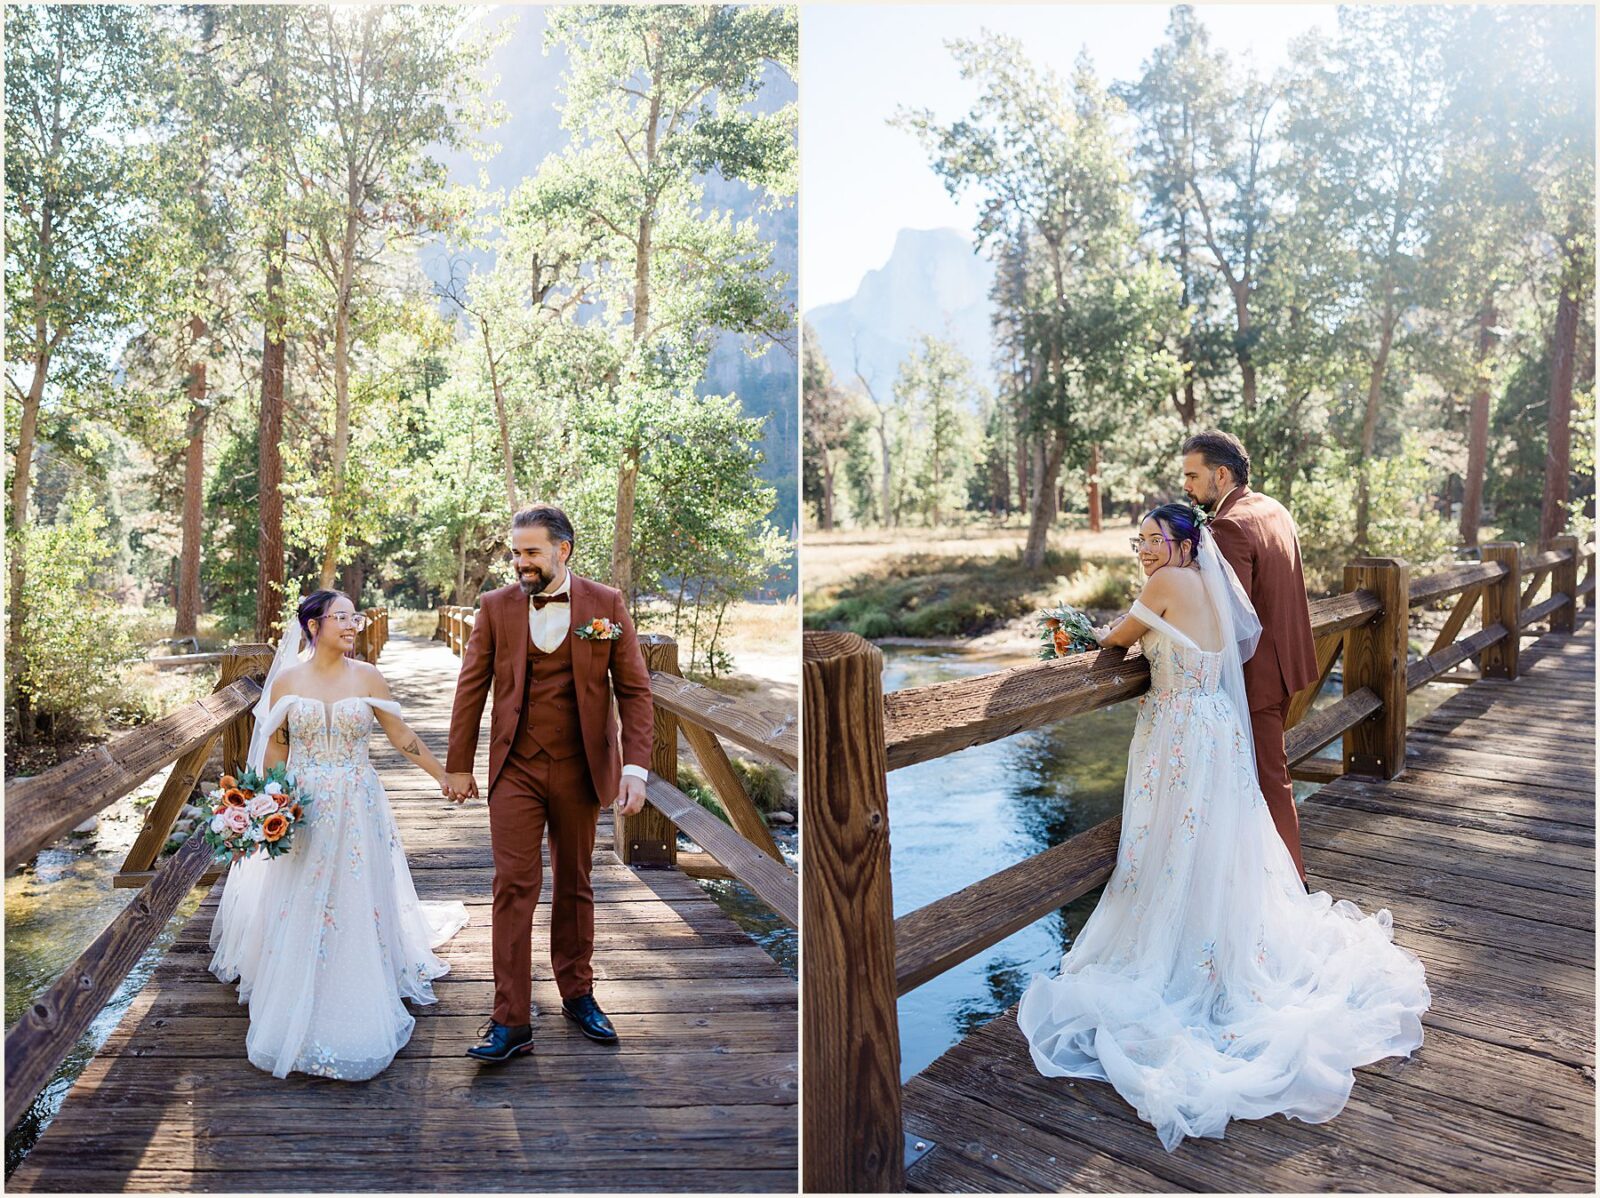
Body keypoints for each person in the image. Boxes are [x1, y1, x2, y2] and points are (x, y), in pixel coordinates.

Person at [1017, 502, 1430, 1152]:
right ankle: (1219, 950)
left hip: (1177, 735)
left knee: (1173, 849)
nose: (1144, 549)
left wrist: (1074, 633)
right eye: (1140, 540)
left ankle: (1187, 957)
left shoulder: (1164, 585)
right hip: (1216, 730)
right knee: (1214, 846)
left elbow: (1115, 642)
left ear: (1184, 543)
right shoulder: (1212, 585)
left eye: (1154, 539)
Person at [209, 589, 468, 1081]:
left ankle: (358, 977)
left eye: (356, 617)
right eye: (341, 617)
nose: (352, 625)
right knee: (303, 891)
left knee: (354, 890)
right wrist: (267, 806)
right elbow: (276, 752)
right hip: (303, 806)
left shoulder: (368, 676)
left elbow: (402, 737)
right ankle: (297, 985)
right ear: (313, 626)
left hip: (357, 803)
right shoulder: (287, 680)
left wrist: (444, 776)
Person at [443, 503, 654, 1064]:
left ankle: (577, 993)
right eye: (515, 552)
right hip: (515, 766)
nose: (520, 563)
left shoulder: (605, 605)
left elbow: (634, 690)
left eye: (531, 552)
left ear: (563, 550)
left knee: (575, 881)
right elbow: (471, 688)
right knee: (513, 884)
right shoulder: (494, 607)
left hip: (582, 768)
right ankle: (510, 1019)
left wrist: (635, 766)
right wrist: (458, 763)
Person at [1181, 430, 1318, 882]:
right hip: (1288, 665)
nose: (1187, 486)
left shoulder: (1229, 525)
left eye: (1193, 476)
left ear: (1221, 475)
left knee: (1268, 782)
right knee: (1266, 777)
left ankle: (1290, 887)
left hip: (1255, 675)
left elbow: (1225, 614)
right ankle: (1260, 881)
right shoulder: (1273, 508)